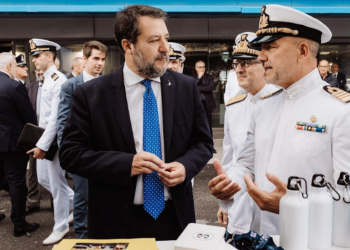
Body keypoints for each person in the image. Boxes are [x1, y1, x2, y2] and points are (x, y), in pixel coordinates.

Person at [59, 5, 212, 240]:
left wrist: (185, 167)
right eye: (153, 40)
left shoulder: (185, 87)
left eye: (166, 38)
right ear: (127, 45)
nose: (165, 49)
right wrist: (126, 163)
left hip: (176, 219)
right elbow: (70, 154)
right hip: (114, 222)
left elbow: (203, 143)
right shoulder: (91, 94)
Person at [208, 4, 350, 235]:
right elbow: (247, 164)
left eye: (270, 47)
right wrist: (230, 183)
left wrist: (291, 207)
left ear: (302, 51)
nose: (261, 56)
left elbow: (347, 196)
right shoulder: (264, 105)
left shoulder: (341, 111)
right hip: (256, 238)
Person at [216, 32, 278, 242]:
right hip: (241, 205)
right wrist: (225, 199)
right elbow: (230, 158)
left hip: (274, 208)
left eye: (247, 62)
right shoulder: (234, 106)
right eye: (236, 63)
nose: (239, 69)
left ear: (264, 64)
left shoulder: (282, 102)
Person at [57, 40, 108, 239]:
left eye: (103, 59)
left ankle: (102, 231)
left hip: (104, 151)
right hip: (81, 152)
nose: (100, 63)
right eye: (96, 58)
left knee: (105, 194)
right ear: (85, 59)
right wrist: (68, 155)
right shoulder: (70, 86)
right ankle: (80, 234)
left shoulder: (107, 83)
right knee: (82, 196)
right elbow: (63, 122)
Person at [27, 38, 74, 245]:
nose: (34, 60)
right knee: (45, 180)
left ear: (49, 56)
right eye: (33, 57)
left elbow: (55, 119)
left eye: (37, 56)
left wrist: (42, 146)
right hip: (44, 139)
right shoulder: (46, 79)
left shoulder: (57, 80)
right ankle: (81, 202)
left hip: (52, 142)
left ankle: (61, 226)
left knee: (56, 184)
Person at [0, 52, 39, 236]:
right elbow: (29, 117)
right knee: (17, 183)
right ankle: (19, 223)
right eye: (15, 65)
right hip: (13, 144)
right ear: (9, 67)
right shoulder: (14, 87)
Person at [25, 68, 44, 215]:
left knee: (55, 169)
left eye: (42, 69)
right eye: (37, 70)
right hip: (35, 132)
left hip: (51, 133)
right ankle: (33, 201)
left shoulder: (58, 85)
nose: (40, 71)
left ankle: (54, 201)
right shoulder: (29, 87)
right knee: (33, 170)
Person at [194, 60, 217, 153]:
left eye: (203, 67)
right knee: (197, 126)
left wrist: (199, 88)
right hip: (197, 105)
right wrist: (198, 78)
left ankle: (210, 146)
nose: (202, 69)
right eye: (200, 67)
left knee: (208, 126)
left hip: (207, 104)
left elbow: (211, 88)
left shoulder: (209, 77)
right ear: (196, 68)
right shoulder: (192, 77)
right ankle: (199, 146)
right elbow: (192, 87)